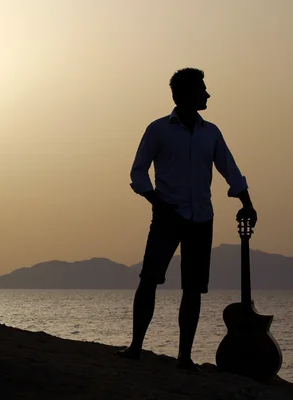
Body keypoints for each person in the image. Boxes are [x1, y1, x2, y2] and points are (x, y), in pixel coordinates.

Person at [117, 68, 257, 371]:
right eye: (201, 89)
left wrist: (247, 203)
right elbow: (138, 171)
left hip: (201, 219)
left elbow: (229, 168)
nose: (207, 94)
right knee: (149, 279)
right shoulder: (158, 130)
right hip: (167, 216)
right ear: (182, 95)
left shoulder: (212, 133)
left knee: (193, 288)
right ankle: (136, 347)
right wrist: (155, 200)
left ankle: (185, 356)